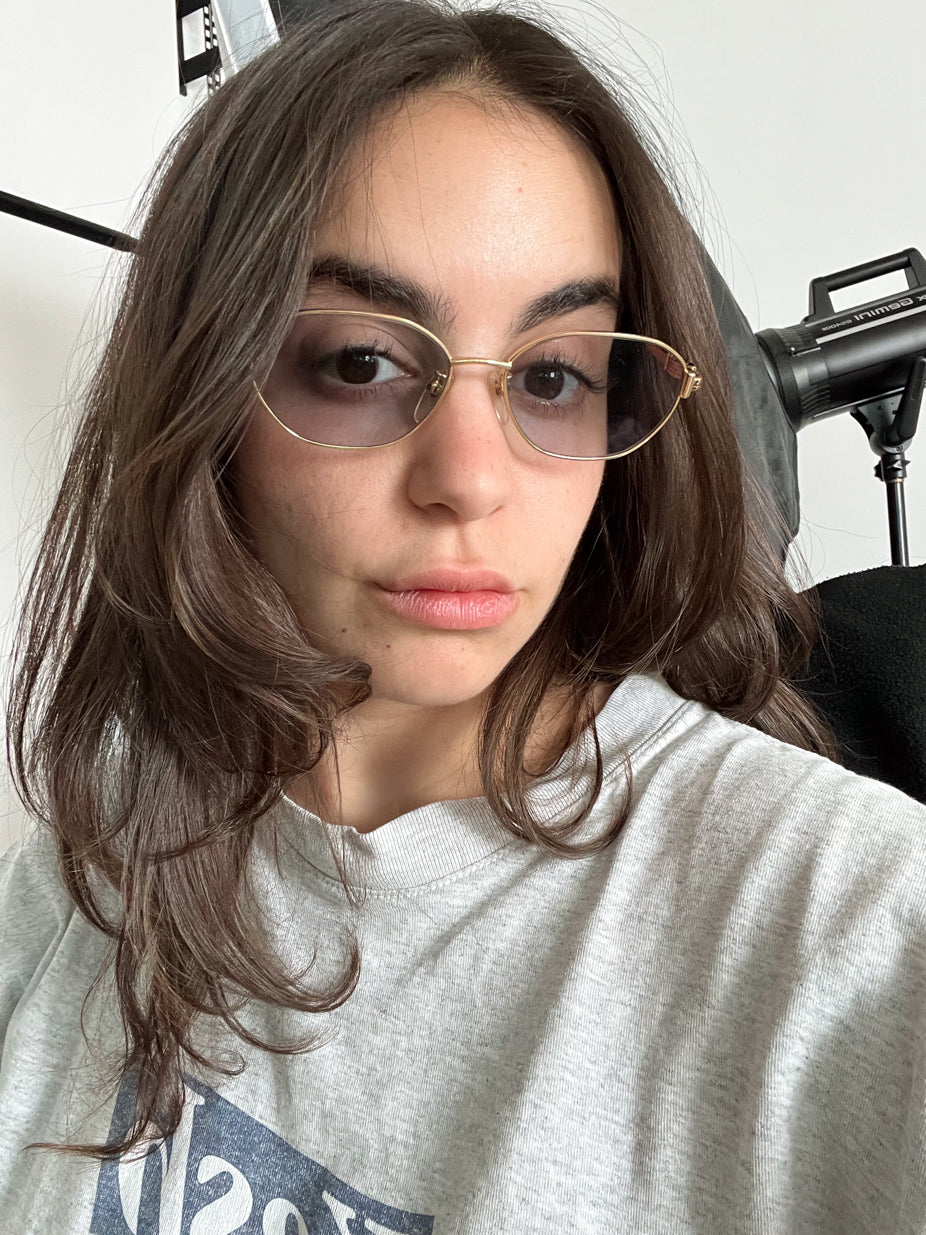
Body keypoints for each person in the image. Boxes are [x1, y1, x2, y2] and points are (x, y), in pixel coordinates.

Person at [2, 0, 925, 1230]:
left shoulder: (844, 925)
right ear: (205, 390)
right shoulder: (111, 838)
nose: (471, 479)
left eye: (550, 376)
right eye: (360, 362)